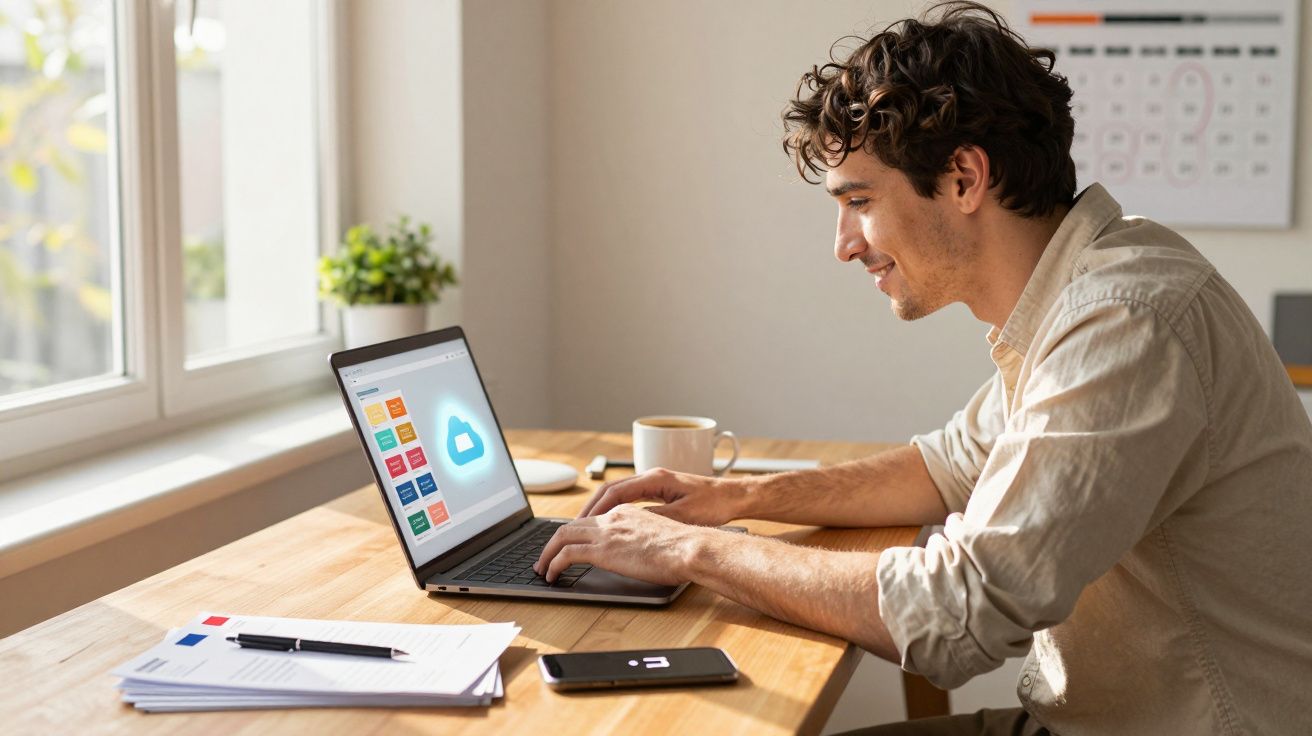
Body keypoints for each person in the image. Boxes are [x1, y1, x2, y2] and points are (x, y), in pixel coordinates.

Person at [534, 2, 1312, 733]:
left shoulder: (1128, 321)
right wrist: (733, 497)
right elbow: (946, 466)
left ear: (964, 179)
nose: (844, 243)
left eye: (859, 201)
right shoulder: (1083, 292)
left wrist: (690, 551)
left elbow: (961, 614)